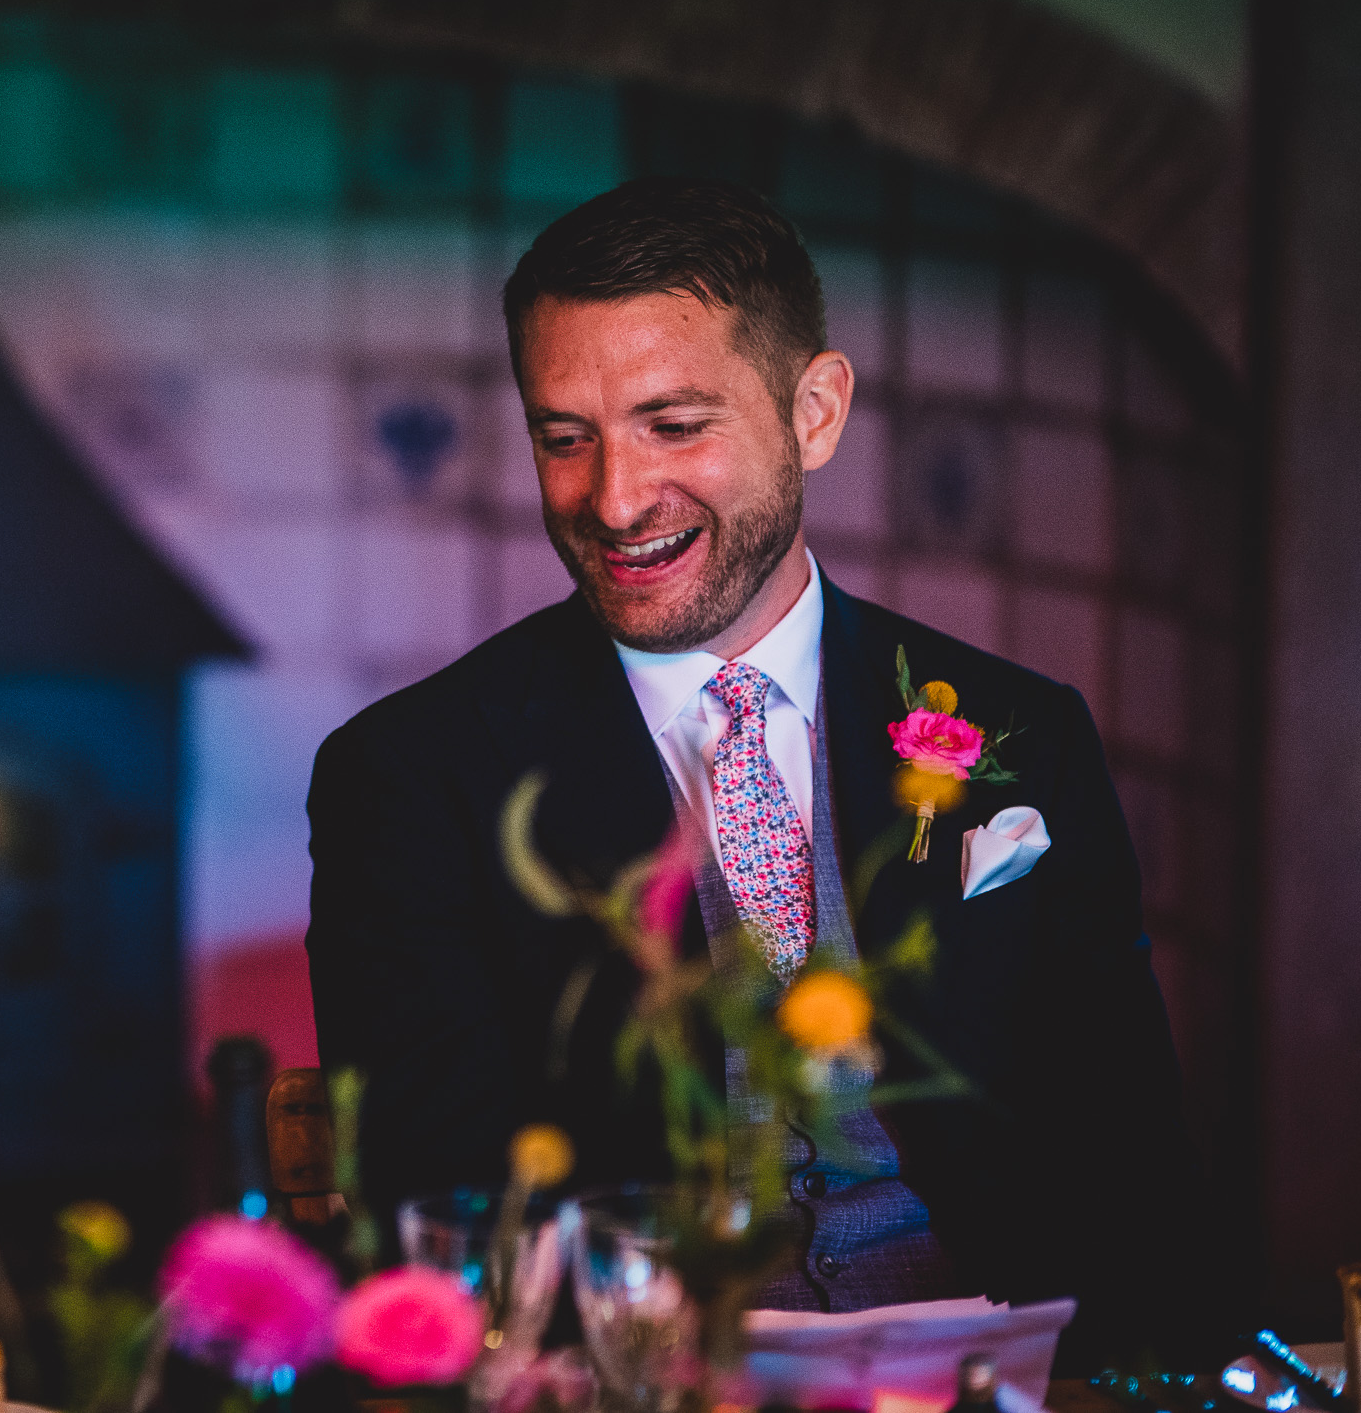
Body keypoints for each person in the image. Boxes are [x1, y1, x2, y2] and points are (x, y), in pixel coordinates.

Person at [305, 180, 1208, 1366]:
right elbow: (450, 1210)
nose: (614, 499)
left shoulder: (1019, 729)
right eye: (563, 435)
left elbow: (1133, 1160)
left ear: (815, 411)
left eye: (674, 425)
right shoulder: (410, 773)